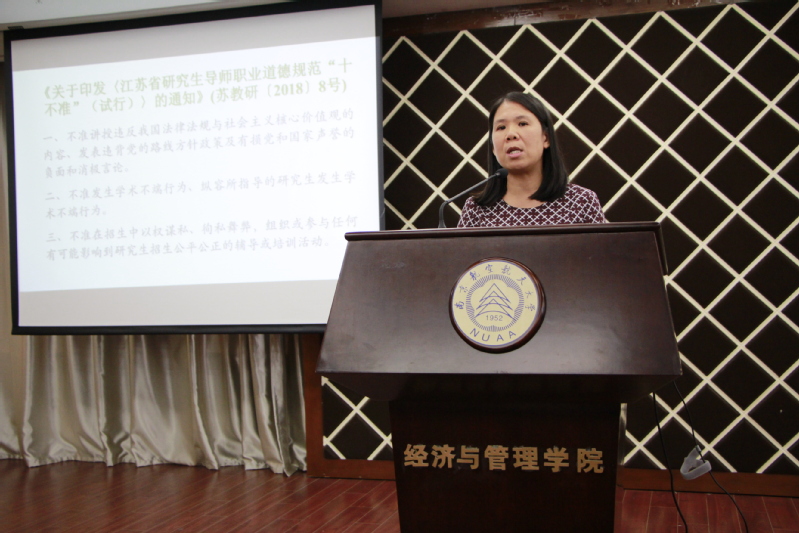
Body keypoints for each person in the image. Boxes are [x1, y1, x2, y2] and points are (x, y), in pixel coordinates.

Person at [457, 92, 606, 227]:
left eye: (522, 124)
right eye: (501, 127)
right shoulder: (476, 210)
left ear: (546, 138)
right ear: (493, 148)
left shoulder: (581, 202)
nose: (511, 134)